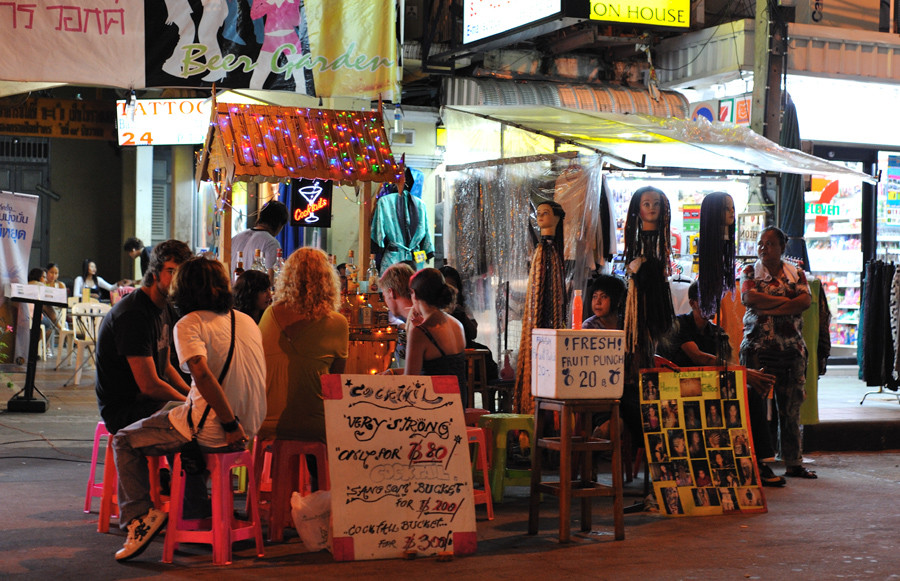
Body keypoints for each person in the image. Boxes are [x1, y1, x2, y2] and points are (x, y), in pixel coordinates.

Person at [111, 255, 266, 561]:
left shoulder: (189, 323)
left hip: (219, 428)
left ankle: (139, 518)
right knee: (171, 414)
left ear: (183, 289)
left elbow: (202, 373)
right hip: (251, 426)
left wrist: (229, 423)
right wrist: (238, 424)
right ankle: (194, 511)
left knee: (123, 440)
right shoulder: (245, 320)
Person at [656, 280, 785, 486]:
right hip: (678, 388)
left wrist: (746, 375)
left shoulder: (717, 333)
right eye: (707, 300)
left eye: (715, 300)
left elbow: (728, 366)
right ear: (693, 303)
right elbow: (700, 358)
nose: (713, 305)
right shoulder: (679, 324)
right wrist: (746, 373)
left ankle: (758, 460)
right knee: (747, 385)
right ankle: (755, 460)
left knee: (749, 392)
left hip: (708, 388)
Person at [741, 226, 816, 480]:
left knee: (791, 404)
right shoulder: (750, 271)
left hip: (791, 348)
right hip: (758, 347)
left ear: (782, 247)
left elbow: (805, 302)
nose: (763, 248)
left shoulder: (796, 273)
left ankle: (793, 462)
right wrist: (787, 303)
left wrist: (769, 307)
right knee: (755, 405)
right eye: (761, 243)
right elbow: (749, 298)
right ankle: (758, 461)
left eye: (770, 243)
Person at [95, 240, 193, 435]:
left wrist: (193, 396)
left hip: (148, 402)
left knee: (199, 416)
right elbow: (150, 385)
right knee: (193, 422)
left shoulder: (164, 307)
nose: (177, 280)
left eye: (181, 274)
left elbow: (166, 368)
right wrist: (189, 403)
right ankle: (182, 466)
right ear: (155, 273)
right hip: (124, 411)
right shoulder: (133, 314)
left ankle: (177, 466)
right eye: (171, 272)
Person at [257, 247, 349, 443]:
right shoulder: (337, 323)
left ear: (287, 278)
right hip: (314, 426)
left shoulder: (269, 314)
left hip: (263, 421)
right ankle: (317, 475)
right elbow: (335, 384)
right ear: (328, 281)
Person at [514, 200, 567, 415]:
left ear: (557, 217)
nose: (541, 216)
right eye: (539, 213)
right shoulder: (541, 252)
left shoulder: (553, 253)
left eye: (546, 213)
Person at [390, 268, 468, 406]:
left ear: (414, 294)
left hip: (433, 410)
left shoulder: (421, 332)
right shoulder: (457, 324)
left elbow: (410, 381)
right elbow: (441, 369)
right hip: (458, 406)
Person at [230, 200, 289, 283]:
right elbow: (270, 280)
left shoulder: (236, 238)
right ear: (279, 224)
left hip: (233, 293)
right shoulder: (271, 243)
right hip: (253, 294)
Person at [379, 262, 415, 365]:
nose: (385, 302)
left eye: (384, 296)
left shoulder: (415, 322)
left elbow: (412, 376)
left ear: (391, 292)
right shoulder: (419, 314)